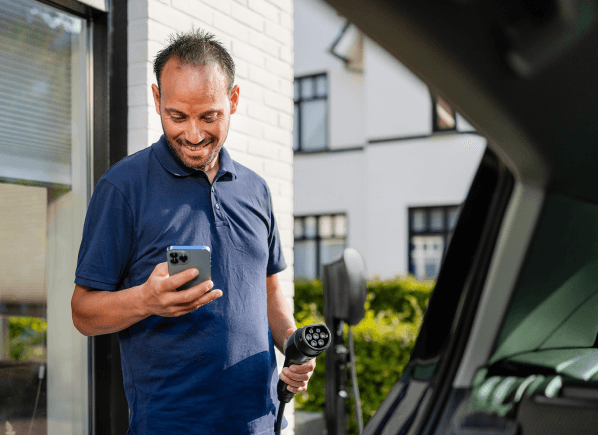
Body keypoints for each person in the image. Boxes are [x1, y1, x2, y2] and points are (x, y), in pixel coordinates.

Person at [71, 30, 314, 434]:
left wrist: (292, 342)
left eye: (210, 116)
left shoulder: (256, 189)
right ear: (156, 100)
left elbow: (269, 288)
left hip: (260, 421)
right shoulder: (123, 188)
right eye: (177, 116)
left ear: (232, 101)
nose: (195, 135)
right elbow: (83, 313)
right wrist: (146, 299)